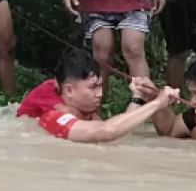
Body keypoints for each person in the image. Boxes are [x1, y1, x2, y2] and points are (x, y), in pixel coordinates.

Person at [37, 51, 179, 143]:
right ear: (69, 91)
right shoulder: (53, 117)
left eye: (100, 86)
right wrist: (157, 103)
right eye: (93, 88)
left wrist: (138, 96)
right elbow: (106, 131)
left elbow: (119, 131)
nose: (100, 94)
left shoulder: (87, 113)